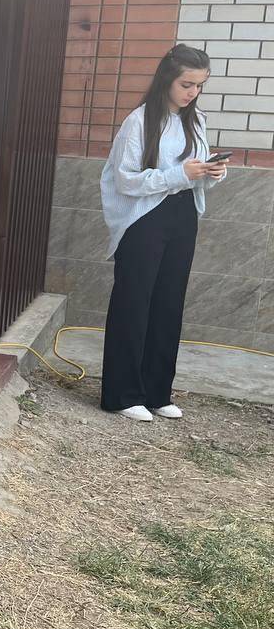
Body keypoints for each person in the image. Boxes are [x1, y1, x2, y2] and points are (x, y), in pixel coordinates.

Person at [100, 44, 226, 421]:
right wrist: (179, 174)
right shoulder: (139, 121)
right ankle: (122, 395)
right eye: (187, 84)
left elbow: (192, 173)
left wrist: (212, 173)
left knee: (169, 303)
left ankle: (157, 393)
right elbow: (125, 180)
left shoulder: (195, 119)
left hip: (183, 215)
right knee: (134, 303)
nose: (193, 92)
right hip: (144, 218)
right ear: (167, 79)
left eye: (199, 85)